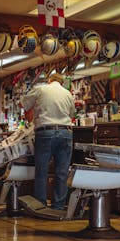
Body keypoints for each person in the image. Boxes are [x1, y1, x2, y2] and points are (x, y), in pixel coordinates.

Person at [21, 73, 75, 210]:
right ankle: (59, 206)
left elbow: (24, 104)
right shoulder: (67, 93)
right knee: (62, 172)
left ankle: (41, 205)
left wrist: (33, 112)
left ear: (49, 81)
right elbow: (72, 114)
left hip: (46, 132)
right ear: (61, 83)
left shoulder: (41, 89)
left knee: (42, 171)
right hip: (65, 133)